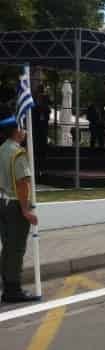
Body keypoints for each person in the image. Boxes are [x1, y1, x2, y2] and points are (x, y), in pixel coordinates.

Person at [0, 111, 40, 303]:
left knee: (7, 246)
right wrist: (26, 210)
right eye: (22, 128)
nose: (24, 131)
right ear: (15, 132)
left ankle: (7, 284)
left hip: (2, 202)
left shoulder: (1, 150)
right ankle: (13, 290)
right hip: (15, 205)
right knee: (16, 247)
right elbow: (23, 183)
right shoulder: (18, 153)